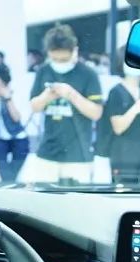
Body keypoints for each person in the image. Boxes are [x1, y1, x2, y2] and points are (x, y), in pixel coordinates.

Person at [29, 25, 103, 184]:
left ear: (74, 51)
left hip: (78, 155)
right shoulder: (43, 71)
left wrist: (71, 95)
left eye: (63, 60)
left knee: (76, 198)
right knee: (41, 197)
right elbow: (34, 106)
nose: (59, 63)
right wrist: (46, 97)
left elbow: (96, 113)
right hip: (47, 153)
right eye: (54, 59)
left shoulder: (88, 74)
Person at [0, 67, 29, 183]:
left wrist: (8, 98)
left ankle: (9, 186)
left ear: (6, 86)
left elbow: (16, 118)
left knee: (14, 172)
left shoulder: (15, 95)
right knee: (3, 171)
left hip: (18, 137)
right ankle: (9, 186)